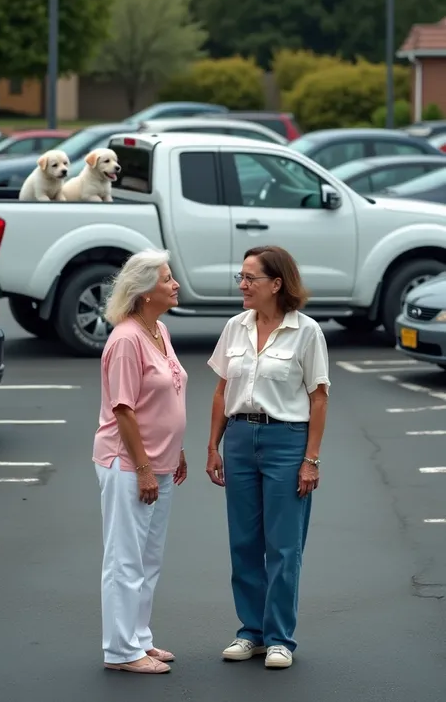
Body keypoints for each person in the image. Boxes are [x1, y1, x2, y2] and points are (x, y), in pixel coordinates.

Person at [206, 245, 330, 669]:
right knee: (243, 542)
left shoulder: (307, 331)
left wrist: (310, 459)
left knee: (283, 545)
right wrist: (213, 446)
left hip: (286, 441)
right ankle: (250, 633)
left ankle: (279, 637)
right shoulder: (235, 327)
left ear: (276, 284)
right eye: (240, 277)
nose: (242, 285)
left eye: (250, 278)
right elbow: (222, 391)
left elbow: (319, 399)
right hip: (239, 438)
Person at [93, 249, 188, 675]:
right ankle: (120, 650)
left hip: (160, 463)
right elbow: (123, 409)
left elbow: (166, 395)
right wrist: (146, 467)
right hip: (128, 464)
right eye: (167, 279)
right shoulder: (127, 338)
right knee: (125, 559)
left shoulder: (158, 329)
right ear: (145, 291)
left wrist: (175, 449)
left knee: (149, 559)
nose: (175, 285)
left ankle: (139, 639)